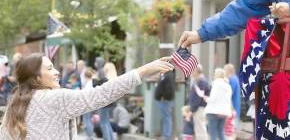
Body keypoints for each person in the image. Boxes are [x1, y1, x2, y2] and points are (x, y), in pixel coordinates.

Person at [0, 53, 173, 140]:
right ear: (36, 77)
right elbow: (102, 94)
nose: (57, 72)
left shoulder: (14, 104)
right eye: (50, 68)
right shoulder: (56, 98)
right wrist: (143, 71)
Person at [202, 68, 232, 140]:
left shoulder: (216, 84)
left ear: (216, 75)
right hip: (224, 112)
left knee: (213, 133)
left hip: (214, 111)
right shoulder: (228, 86)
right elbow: (228, 99)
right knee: (221, 131)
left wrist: (206, 99)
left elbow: (213, 98)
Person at [189, 64, 209, 140]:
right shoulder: (199, 81)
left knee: (200, 129)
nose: (191, 73)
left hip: (199, 108)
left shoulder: (201, 81)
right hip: (198, 108)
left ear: (196, 71)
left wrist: (193, 108)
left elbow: (199, 97)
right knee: (199, 128)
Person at [154, 71, 175, 140]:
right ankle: (165, 135)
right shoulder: (164, 75)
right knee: (165, 118)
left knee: (167, 118)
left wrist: (164, 97)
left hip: (165, 101)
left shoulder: (168, 75)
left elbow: (169, 88)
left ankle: (167, 136)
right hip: (162, 100)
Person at [223, 64, 240, 129]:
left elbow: (229, 92)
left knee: (230, 129)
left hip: (232, 107)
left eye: (225, 70)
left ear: (228, 71)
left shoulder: (232, 79)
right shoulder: (234, 79)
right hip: (233, 107)